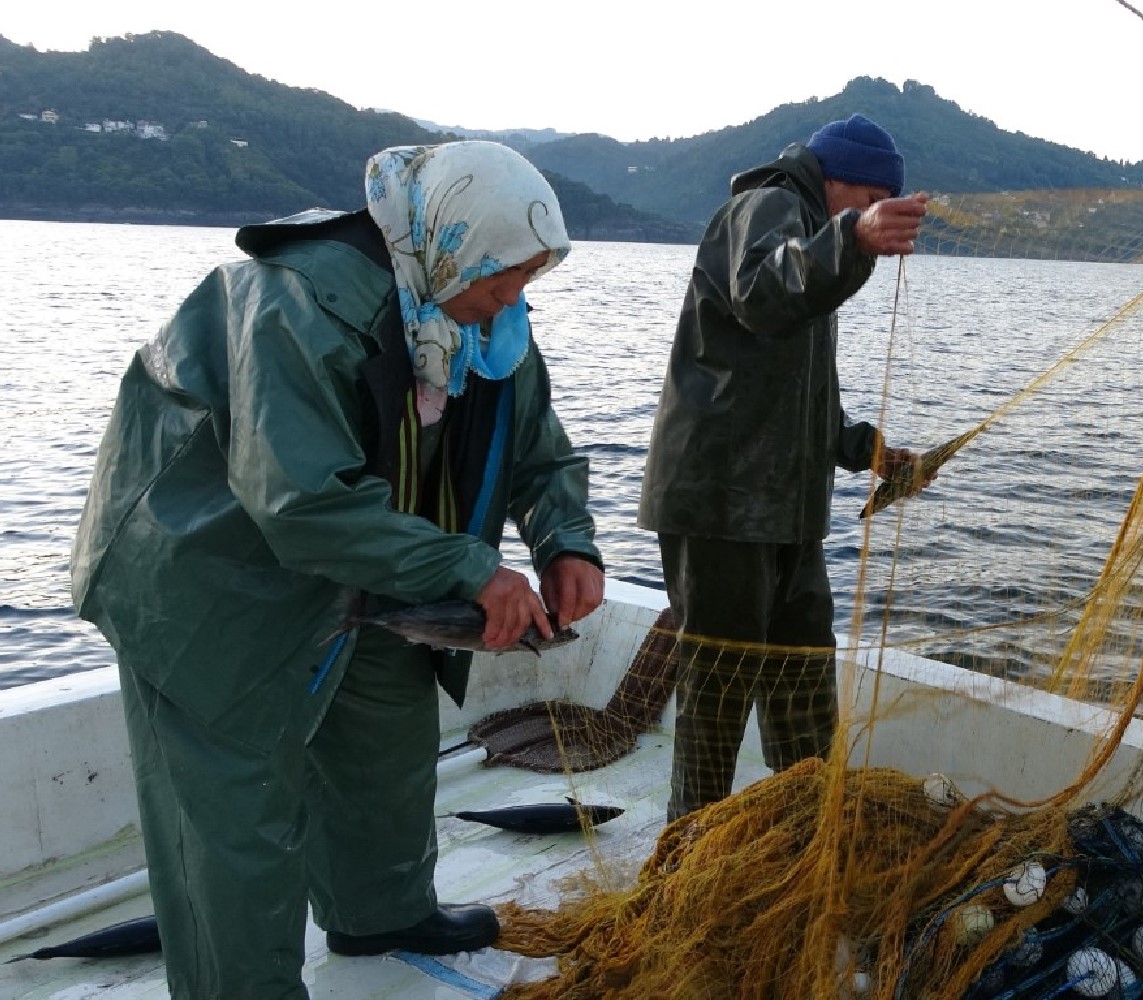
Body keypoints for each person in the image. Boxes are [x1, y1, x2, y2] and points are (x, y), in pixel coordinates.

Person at [70, 140, 606, 999]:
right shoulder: (294, 304)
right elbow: (300, 501)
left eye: (527, 282)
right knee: (236, 818)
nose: (513, 301)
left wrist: (565, 541)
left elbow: (540, 453)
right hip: (208, 578)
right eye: (503, 280)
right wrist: (471, 568)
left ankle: (380, 910)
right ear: (451, 244)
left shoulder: (482, 317)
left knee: (386, 743)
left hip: (371, 567)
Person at [637, 114, 931, 822]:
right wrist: (853, 239)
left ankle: (806, 828)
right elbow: (764, 295)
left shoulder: (815, 239)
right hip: (720, 507)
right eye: (865, 202)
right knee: (719, 689)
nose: (869, 220)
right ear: (836, 183)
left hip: (784, 511)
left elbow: (795, 393)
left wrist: (863, 447)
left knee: (802, 678)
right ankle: (690, 851)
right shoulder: (767, 205)